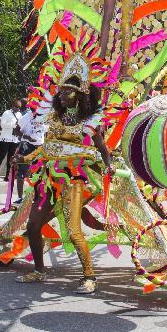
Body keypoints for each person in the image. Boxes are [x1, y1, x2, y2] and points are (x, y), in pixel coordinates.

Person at [15, 56, 114, 295]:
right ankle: (39, 270)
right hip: (49, 178)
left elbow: (101, 147)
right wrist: (25, 159)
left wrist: (108, 165)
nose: (61, 95)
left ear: (79, 95)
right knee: (33, 224)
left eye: (67, 92)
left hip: (75, 178)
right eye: (60, 92)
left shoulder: (89, 122)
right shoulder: (55, 118)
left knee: (73, 230)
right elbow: (47, 148)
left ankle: (89, 276)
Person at [0, 99, 23, 182]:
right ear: (13, 106)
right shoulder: (6, 113)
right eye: (16, 107)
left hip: (14, 139)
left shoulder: (20, 114)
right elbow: (2, 124)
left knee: (11, 158)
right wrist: (13, 125)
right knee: (1, 157)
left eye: (19, 107)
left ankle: (7, 175)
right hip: (5, 138)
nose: (18, 109)